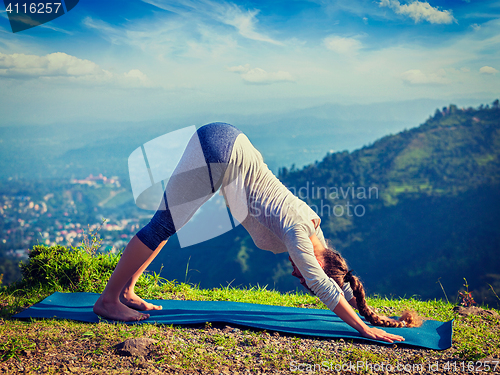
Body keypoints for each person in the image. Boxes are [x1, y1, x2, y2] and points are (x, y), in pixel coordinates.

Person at [93, 123, 420, 343]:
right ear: (320, 264)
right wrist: (365, 329)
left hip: (229, 141)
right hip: (220, 154)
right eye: (302, 276)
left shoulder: (313, 225)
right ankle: (108, 300)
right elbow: (323, 284)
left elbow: (329, 277)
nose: (297, 273)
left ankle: (126, 291)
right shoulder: (297, 234)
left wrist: (364, 308)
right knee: (162, 225)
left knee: (168, 224)